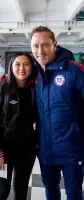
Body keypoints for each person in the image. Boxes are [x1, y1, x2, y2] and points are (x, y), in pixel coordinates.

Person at [30, 26, 84, 199]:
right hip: (45, 149)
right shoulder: (32, 72)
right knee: (50, 190)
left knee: (74, 194)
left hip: (72, 148)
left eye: (45, 45)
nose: (40, 51)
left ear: (55, 44)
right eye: (35, 46)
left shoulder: (74, 70)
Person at [0, 52, 37, 200]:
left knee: (21, 191)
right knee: (1, 192)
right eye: (18, 64)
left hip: (26, 152)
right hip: (2, 152)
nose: (22, 68)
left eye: (26, 64)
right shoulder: (0, 90)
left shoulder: (35, 90)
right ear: (11, 67)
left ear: (31, 67)